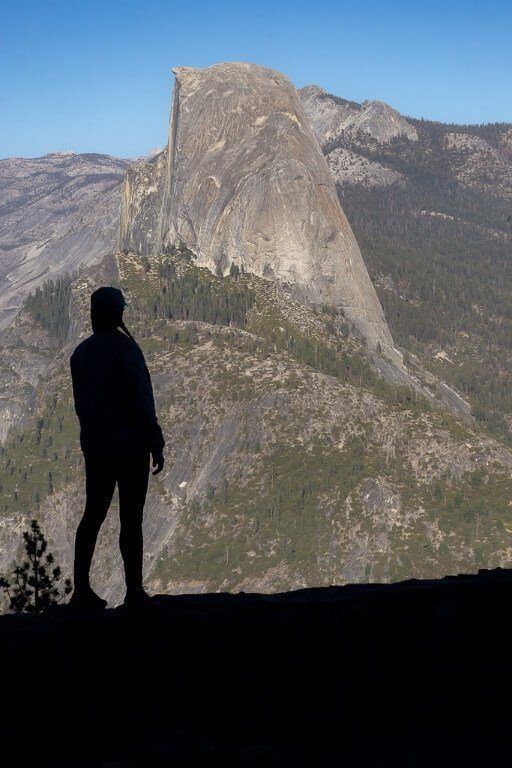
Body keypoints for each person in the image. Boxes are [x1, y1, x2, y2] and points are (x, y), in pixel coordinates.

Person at [69, 287, 165, 609]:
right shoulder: (127, 351)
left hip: (97, 449)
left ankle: (81, 591)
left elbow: (82, 406)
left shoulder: (79, 356)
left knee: (91, 517)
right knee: (131, 520)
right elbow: (141, 401)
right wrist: (155, 442)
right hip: (130, 449)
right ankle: (133, 593)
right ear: (118, 314)